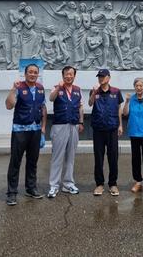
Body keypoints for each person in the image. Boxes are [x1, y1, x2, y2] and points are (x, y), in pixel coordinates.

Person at [5, 63, 47, 206]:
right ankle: (11, 193)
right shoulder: (19, 87)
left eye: (35, 72)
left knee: (32, 161)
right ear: (25, 73)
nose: (33, 74)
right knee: (15, 162)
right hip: (20, 131)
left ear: (38, 74)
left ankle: (31, 188)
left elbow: (43, 108)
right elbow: (9, 105)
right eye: (30, 72)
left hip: (35, 131)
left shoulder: (41, 89)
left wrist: (43, 128)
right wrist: (12, 89)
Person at [47, 66, 84, 198]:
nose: (69, 76)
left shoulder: (78, 90)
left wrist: (81, 122)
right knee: (57, 156)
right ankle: (54, 185)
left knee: (71, 156)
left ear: (74, 76)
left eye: (71, 74)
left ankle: (68, 184)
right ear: (62, 75)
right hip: (60, 125)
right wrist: (58, 87)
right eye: (66, 74)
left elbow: (80, 106)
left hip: (73, 126)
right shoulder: (57, 87)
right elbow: (51, 98)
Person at [88, 68, 123, 196]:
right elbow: (90, 103)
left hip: (112, 128)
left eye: (103, 76)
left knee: (113, 157)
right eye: (99, 77)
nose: (101, 79)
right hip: (98, 129)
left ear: (108, 77)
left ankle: (113, 184)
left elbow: (119, 109)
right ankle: (99, 184)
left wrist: (120, 125)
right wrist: (93, 93)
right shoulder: (94, 91)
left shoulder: (116, 91)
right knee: (98, 157)